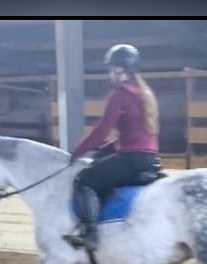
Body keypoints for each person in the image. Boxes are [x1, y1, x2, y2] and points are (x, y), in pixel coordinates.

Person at [66, 43, 161, 250]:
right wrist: (105, 150)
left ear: (120, 69)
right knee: (103, 167)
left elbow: (101, 130)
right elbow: (133, 134)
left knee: (85, 180)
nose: (109, 73)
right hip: (149, 157)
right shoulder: (145, 93)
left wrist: (78, 151)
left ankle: (91, 234)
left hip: (133, 157)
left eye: (111, 68)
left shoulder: (120, 94)